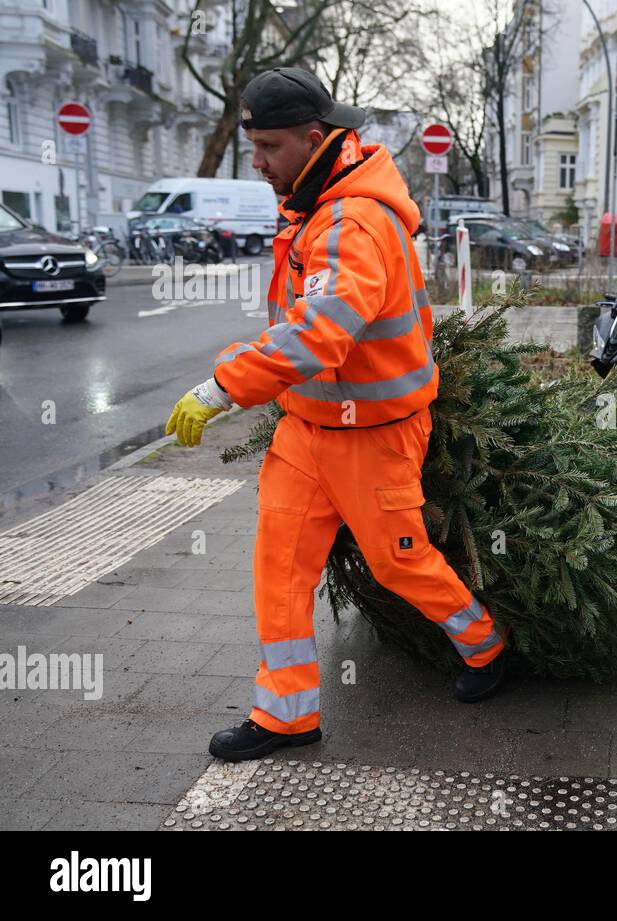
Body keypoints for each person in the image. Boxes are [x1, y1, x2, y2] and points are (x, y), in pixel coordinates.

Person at [164, 67, 508, 762]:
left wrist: (221, 388)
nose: (256, 163)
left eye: (267, 148)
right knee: (279, 567)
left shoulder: (355, 221)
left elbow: (322, 330)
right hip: (307, 430)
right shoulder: (315, 201)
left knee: (398, 562)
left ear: (313, 138)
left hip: (375, 434)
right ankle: (285, 714)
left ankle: (486, 646)